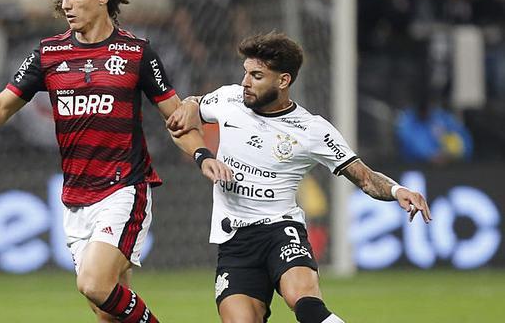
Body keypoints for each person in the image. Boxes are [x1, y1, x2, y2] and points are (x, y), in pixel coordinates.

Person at [0, 0, 231, 323]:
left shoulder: (136, 53)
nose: (66, 3)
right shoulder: (48, 54)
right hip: (76, 196)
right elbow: (1, 107)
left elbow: (177, 118)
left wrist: (202, 155)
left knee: (94, 284)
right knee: (107, 311)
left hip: (124, 187)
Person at [166, 31, 432, 323]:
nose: (245, 83)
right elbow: (186, 114)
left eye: (256, 75)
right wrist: (200, 143)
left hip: (281, 230)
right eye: (245, 73)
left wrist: (396, 191)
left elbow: (365, 178)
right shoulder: (229, 98)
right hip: (235, 240)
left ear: (283, 81)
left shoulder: (312, 130)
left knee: (304, 303)